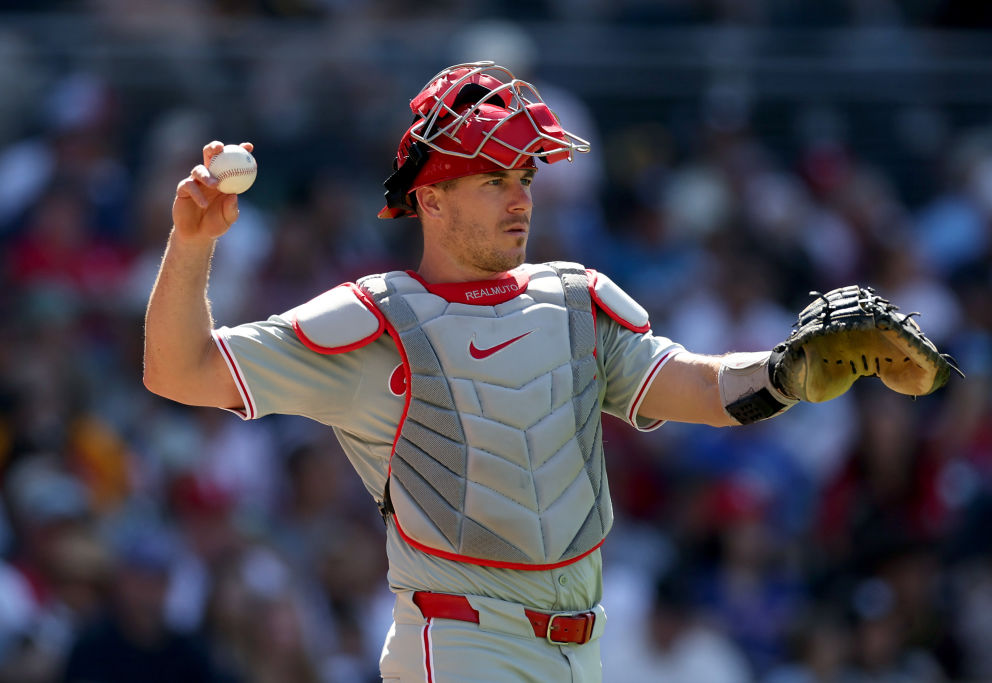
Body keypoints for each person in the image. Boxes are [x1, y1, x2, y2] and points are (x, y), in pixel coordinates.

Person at [142, 62, 946, 682]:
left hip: (580, 649)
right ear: (431, 199)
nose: (518, 198)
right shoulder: (376, 320)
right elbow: (179, 369)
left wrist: (789, 369)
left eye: (524, 177)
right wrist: (193, 240)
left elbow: (701, 387)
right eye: (493, 179)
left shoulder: (572, 303)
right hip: (458, 644)